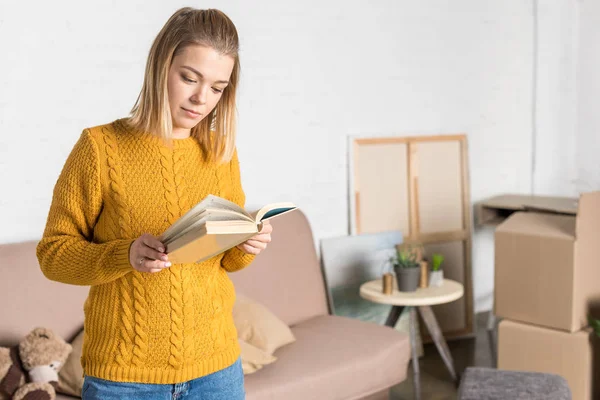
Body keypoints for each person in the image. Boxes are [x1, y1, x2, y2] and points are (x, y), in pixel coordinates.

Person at [36, 7, 271, 399]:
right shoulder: (100, 148)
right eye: (189, 78)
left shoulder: (220, 153)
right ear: (161, 65)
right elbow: (53, 254)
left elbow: (225, 262)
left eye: (217, 87)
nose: (201, 98)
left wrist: (248, 244)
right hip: (123, 379)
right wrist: (124, 255)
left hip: (217, 372)